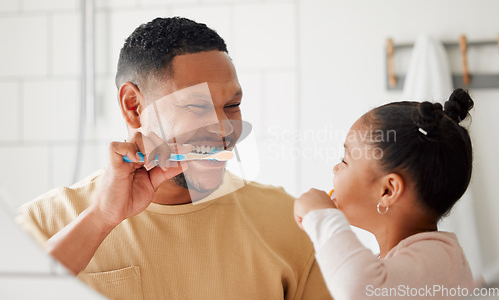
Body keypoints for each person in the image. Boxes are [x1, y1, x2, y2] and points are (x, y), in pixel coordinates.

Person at [17, 17, 331, 300]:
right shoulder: (42, 224)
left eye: (232, 105)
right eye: (196, 106)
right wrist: (100, 218)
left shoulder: (287, 219)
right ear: (133, 106)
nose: (225, 129)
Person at [294, 88, 475, 300]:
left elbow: (357, 287)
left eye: (345, 160)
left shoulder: (441, 261)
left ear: (388, 191)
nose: (336, 168)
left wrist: (322, 217)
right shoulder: (407, 264)